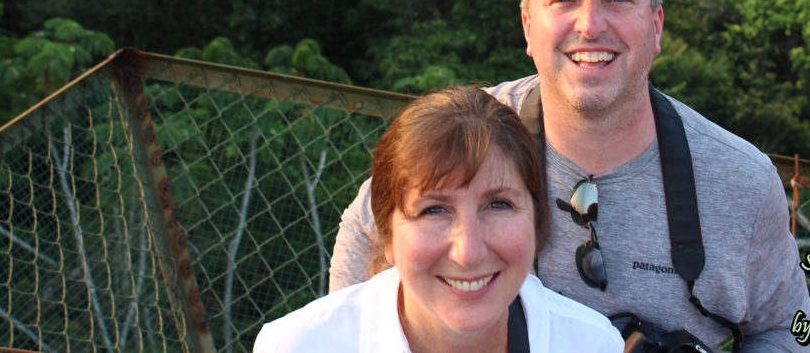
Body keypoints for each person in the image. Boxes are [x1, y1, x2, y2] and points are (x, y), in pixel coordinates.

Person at [330, 0, 810, 351]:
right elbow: (360, 254)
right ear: (527, 26)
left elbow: (784, 328)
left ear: (657, 26)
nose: (590, 24)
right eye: (564, 0)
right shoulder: (461, 136)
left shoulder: (741, 181)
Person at [255, 85, 623, 352]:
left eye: (497, 205)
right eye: (434, 210)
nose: (468, 252)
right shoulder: (301, 345)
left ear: (537, 222)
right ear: (387, 236)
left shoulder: (591, 344)